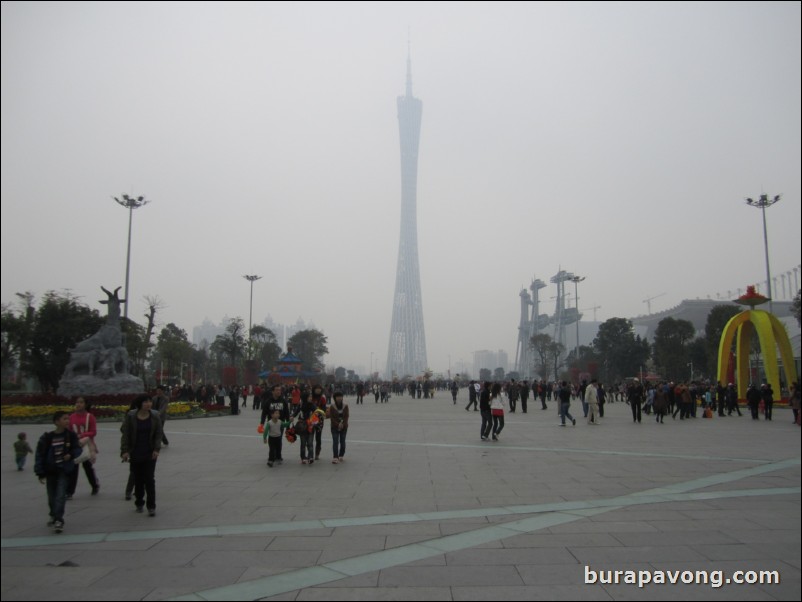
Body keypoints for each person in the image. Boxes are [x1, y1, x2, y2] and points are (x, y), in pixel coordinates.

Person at [35, 411, 82, 533]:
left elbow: (77, 449)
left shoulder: (71, 436)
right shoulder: (47, 438)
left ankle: (59, 520)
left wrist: (70, 455)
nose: (67, 421)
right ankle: (53, 513)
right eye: (64, 419)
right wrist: (40, 472)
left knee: (60, 496)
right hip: (50, 471)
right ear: (56, 422)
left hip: (64, 470)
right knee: (51, 497)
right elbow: (39, 455)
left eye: (68, 419)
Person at [120, 394, 163, 516]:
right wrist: (125, 451)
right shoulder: (131, 416)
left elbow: (159, 433)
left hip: (149, 452)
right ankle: (139, 501)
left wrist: (156, 449)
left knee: (150, 479)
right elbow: (125, 433)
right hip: (135, 452)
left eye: (150, 402)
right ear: (140, 404)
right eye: (145, 402)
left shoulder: (155, 416)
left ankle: (151, 506)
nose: (148, 404)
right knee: (138, 479)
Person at [67, 397, 100, 498]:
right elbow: (69, 430)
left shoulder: (90, 417)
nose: (78, 404)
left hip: (86, 445)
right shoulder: (71, 417)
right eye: (77, 402)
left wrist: (81, 435)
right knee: (73, 468)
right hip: (75, 445)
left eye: (81, 402)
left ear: (85, 404)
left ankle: (94, 485)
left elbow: (93, 432)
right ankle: (70, 492)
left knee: (87, 467)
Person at [329, 391, 349, 463]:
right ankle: (335, 456)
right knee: (335, 441)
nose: (339, 398)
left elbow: (346, 416)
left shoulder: (345, 406)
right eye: (337, 397)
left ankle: (341, 454)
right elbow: (332, 418)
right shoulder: (332, 407)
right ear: (335, 398)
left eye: (340, 396)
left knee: (342, 441)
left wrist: (343, 424)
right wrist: (338, 424)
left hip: (344, 427)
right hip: (334, 427)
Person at [310, 385, 327, 460]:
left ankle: (317, 453)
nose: (318, 390)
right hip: (311, 420)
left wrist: (318, 412)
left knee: (318, 437)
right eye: (316, 388)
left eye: (319, 389)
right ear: (314, 389)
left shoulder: (322, 398)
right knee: (310, 436)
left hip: (319, 420)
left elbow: (324, 408)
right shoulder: (310, 397)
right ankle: (310, 453)